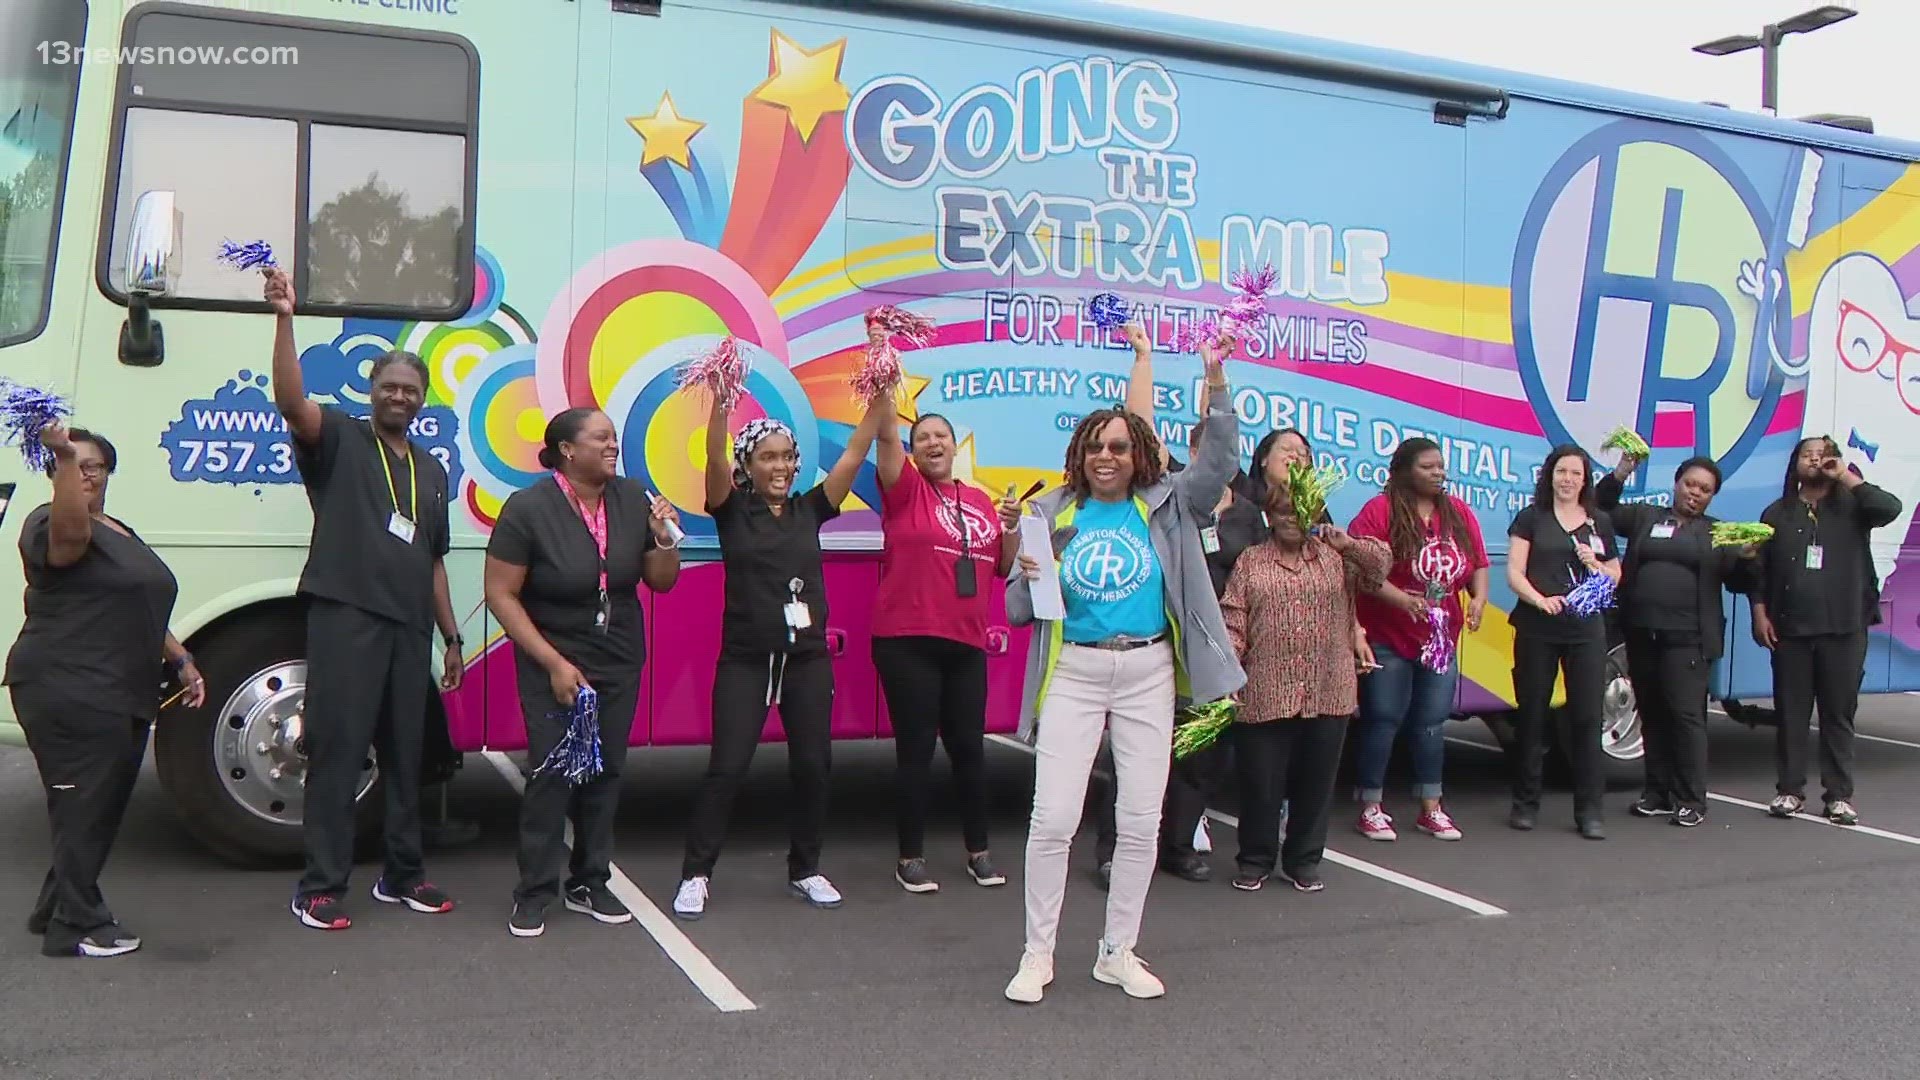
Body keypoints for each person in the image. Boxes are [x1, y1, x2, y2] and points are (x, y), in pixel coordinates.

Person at [1001, 326, 1244, 1004]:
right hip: (1075, 673)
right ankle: (1037, 954)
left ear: (1138, 455)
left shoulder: (1167, 506)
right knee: (1053, 821)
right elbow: (1022, 609)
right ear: (1078, 454)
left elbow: (1220, 458)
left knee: (1141, 821)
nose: (1107, 456)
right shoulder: (1051, 511)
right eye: (1096, 446)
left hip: (1147, 673)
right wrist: (1022, 566)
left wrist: (1215, 376)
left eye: (1120, 446)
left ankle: (1117, 951)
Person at [265, 268, 467, 931]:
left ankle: (403, 876)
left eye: (410, 390)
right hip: (347, 617)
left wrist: (452, 637)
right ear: (372, 392)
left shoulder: (432, 470)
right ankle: (320, 886)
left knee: (407, 757)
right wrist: (285, 318)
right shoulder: (342, 439)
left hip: (410, 629)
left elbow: (432, 558)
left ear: (422, 399)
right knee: (339, 752)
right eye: (389, 387)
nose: (399, 397)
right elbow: (293, 403)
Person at [672, 382, 891, 920]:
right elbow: (713, 454)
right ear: (748, 464)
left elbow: (856, 453)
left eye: (788, 456)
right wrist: (723, 404)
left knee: (814, 765)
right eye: (767, 456)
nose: (780, 465)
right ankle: (696, 874)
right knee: (727, 767)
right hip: (746, 659)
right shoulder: (729, 509)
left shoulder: (811, 509)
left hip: (807, 660)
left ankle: (806, 869)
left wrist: (880, 398)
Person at [4, 425, 205, 957]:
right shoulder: (51, 522)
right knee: (82, 803)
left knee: (96, 803)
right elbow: (70, 543)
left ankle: (56, 905)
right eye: (72, 463)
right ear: (54, 472)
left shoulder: (118, 530)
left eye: (95, 465)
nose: (86, 473)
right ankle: (77, 924)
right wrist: (64, 457)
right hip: (67, 685)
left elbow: (137, 603)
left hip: (117, 689)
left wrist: (181, 659)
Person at [484, 408, 684, 937]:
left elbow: (660, 582)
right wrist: (552, 662)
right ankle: (533, 892)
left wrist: (664, 536)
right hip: (553, 653)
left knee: (605, 769)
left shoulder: (631, 497)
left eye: (614, 436)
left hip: (618, 653)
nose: (613, 445)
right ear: (568, 450)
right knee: (552, 773)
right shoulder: (529, 508)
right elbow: (500, 594)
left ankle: (590, 880)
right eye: (601, 438)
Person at [871, 405, 1019, 893]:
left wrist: (1012, 529)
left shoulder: (977, 499)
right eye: (923, 438)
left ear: (955, 447)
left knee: (969, 751)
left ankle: (978, 852)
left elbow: (1000, 565)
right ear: (912, 451)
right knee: (916, 752)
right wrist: (883, 380)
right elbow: (886, 440)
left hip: (966, 642)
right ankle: (909, 856)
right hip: (908, 641)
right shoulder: (905, 492)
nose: (933, 443)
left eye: (941, 436)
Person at [1219, 483, 1389, 893]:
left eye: (1300, 511)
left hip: (1328, 688)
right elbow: (1233, 619)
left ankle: (1304, 860)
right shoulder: (1251, 562)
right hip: (1264, 689)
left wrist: (1348, 543)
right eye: (1282, 512)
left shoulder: (1336, 560)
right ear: (1269, 516)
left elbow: (1379, 567)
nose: (1291, 519)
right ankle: (1255, 859)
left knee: (1316, 783)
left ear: (1315, 514)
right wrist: (1228, 674)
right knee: (1261, 783)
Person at [1749, 435, 1903, 825]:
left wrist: (1847, 476)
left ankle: (1838, 795)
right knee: (1791, 713)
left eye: (1822, 455)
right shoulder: (1777, 513)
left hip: (1844, 627)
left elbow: (1890, 508)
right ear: (1794, 463)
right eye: (1807, 455)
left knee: (1838, 713)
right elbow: (1759, 571)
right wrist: (1759, 612)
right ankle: (1789, 791)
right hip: (1790, 630)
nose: (1815, 461)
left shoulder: (1854, 505)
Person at [1597, 453, 1754, 827]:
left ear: (1712, 497)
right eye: (1690, 484)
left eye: (1705, 490)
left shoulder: (1719, 533)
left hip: (1689, 640)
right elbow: (1600, 509)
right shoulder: (1645, 518)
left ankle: (1691, 798)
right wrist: (1620, 473)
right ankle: (1658, 792)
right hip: (1641, 633)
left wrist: (1747, 558)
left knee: (1685, 717)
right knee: (1651, 714)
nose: (1695, 493)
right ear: (1676, 483)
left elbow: (1740, 582)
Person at [1347, 437, 1488, 843]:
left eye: (1441, 466)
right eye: (1428, 466)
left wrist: (1478, 599)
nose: (1438, 472)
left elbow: (1478, 561)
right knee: (1383, 718)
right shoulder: (1380, 511)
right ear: (1406, 470)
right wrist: (1402, 600)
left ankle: (1432, 806)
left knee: (1430, 722)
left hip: (1440, 638)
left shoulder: (1457, 512)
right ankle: (1371, 806)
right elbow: (1360, 568)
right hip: (1389, 634)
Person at [1505, 444, 1621, 839]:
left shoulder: (1598, 521)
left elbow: (1615, 576)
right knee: (1532, 715)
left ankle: (1589, 810)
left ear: (1585, 479)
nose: (1568, 479)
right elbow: (1515, 572)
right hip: (1539, 628)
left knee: (1587, 719)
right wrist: (1540, 599)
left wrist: (1597, 565)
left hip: (1586, 631)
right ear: (1549, 475)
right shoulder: (1530, 518)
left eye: (1575, 473)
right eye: (1561, 471)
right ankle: (1525, 804)